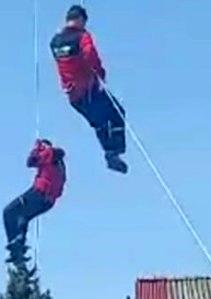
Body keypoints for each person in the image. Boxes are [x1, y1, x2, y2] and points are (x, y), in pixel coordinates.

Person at [50, 5, 128, 174]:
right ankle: (114, 152)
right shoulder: (82, 36)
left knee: (99, 123)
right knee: (117, 113)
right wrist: (100, 72)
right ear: (80, 20)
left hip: (74, 98)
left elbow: (66, 60)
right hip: (88, 90)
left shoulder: (55, 42)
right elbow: (90, 53)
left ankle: (111, 154)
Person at [3, 139, 66, 264]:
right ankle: (19, 243)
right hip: (48, 202)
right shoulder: (60, 165)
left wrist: (37, 149)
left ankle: (16, 245)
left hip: (39, 194)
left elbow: (30, 162)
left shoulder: (48, 154)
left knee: (9, 212)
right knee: (22, 216)